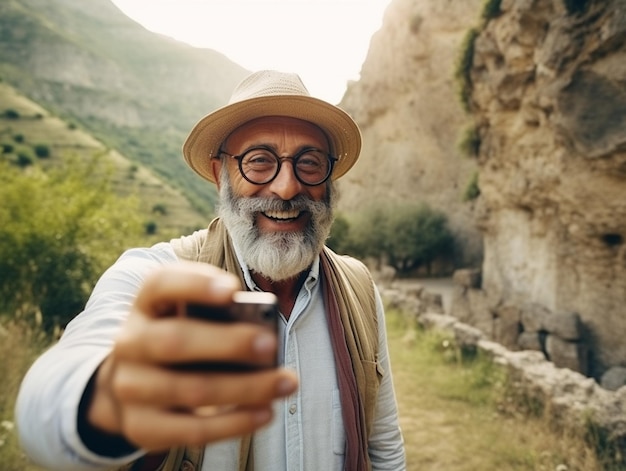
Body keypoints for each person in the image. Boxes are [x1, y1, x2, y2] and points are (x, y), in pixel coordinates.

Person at [16, 70, 406, 471]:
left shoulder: (358, 287)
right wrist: (108, 398)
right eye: (259, 162)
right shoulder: (159, 277)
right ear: (221, 174)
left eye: (309, 163)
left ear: (330, 180)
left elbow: (384, 444)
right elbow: (46, 406)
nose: (287, 188)